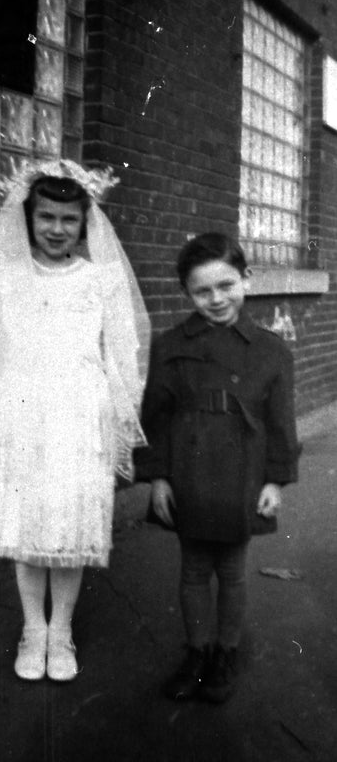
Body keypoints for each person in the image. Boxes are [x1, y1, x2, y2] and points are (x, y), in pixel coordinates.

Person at [0, 158, 150, 682]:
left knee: (70, 526)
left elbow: (124, 354)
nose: (57, 229)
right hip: (26, 413)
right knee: (28, 524)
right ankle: (34, 628)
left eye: (69, 220)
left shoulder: (100, 279)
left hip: (80, 414)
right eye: (46, 217)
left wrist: (116, 417)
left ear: (85, 224)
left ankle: (63, 633)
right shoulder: (5, 277)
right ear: (28, 218)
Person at [137, 232, 300, 703]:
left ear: (247, 279)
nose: (216, 299)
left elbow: (281, 424)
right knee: (192, 570)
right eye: (202, 291)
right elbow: (156, 416)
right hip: (188, 472)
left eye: (226, 285)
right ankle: (197, 652)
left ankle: (225, 653)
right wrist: (158, 477)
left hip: (243, 474)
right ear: (187, 294)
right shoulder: (170, 344)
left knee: (231, 570)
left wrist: (275, 480)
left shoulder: (270, 350)